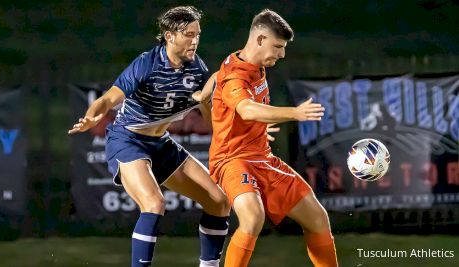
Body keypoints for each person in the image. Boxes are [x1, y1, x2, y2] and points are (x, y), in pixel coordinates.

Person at [68, 6, 230, 267]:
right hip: (128, 140)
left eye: (197, 34)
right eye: (188, 34)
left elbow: (213, 118)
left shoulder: (197, 69)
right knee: (154, 203)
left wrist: (227, 118)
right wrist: (92, 115)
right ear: (169, 36)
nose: (195, 40)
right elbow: (109, 98)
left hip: (161, 143)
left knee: (219, 202)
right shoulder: (147, 64)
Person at [208, 9, 338, 267]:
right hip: (232, 161)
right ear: (259, 39)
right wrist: (295, 113)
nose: (282, 54)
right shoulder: (237, 74)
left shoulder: (249, 63)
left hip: (262, 158)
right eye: (277, 46)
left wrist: (202, 96)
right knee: (253, 217)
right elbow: (245, 108)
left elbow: (216, 80)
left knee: (317, 218)